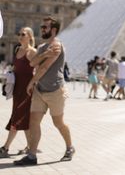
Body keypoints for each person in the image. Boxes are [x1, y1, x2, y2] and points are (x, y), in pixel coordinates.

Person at [14, 17, 74, 165]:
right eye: (41, 27)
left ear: (53, 30)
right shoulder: (42, 47)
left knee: (58, 123)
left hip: (55, 91)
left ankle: (70, 147)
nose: (41, 29)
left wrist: (31, 82)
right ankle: (32, 156)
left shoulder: (57, 46)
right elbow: (33, 62)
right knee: (34, 122)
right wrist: (43, 55)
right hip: (40, 91)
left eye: (45, 27)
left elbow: (44, 67)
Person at [0, 27, 37, 158]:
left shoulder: (32, 52)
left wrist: (32, 84)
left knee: (17, 117)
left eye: (23, 34)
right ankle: (30, 147)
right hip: (17, 89)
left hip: (27, 90)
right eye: (19, 34)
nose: (20, 36)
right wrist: (8, 80)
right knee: (22, 118)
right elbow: (15, 68)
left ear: (30, 37)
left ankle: (5, 148)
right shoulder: (17, 50)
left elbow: (38, 71)